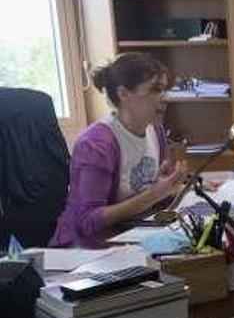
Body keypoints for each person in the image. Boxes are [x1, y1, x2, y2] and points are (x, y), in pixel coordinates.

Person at [50, 52, 185, 247]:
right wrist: (155, 194)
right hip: (86, 248)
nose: (165, 98)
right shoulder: (96, 144)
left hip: (131, 236)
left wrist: (171, 187)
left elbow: (150, 192)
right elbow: (88, 222)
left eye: (165, 89)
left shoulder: (155, 131)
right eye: (156, 89)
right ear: (123, 94)